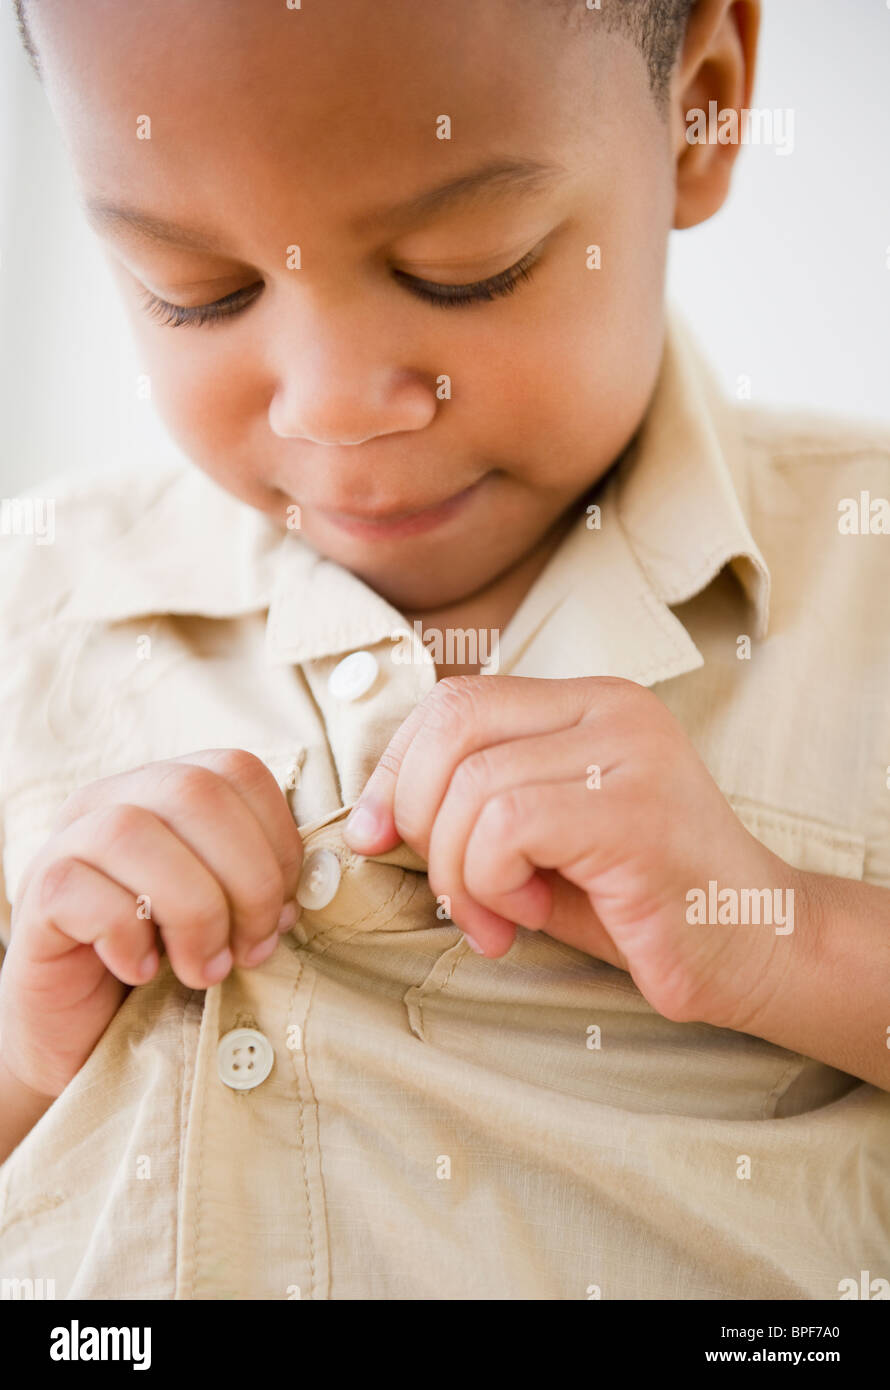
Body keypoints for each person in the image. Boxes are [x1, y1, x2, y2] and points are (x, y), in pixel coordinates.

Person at [0, 0, 888, 1300]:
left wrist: (788, 936)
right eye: (199, 293)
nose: (334, 407)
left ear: (699, 101)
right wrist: (24, 1052)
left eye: (464, 267)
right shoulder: (30, 617)